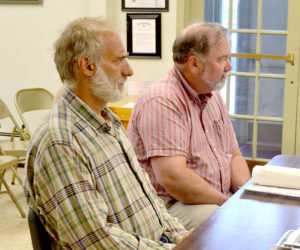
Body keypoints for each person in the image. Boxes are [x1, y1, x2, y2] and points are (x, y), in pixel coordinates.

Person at [24, 17, 190, 249]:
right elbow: (96, 241)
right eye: (119, 60)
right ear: (87, 66)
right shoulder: (60, 141)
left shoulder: (107, 122)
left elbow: (151, 204)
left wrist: (182, 238)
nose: (129, 70)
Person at [127, 22, 251, 229]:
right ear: (194, 64)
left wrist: (245, 195)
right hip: (171, 204)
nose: (229, 66)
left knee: (253, 215)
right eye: (222, 59)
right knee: (225, 224)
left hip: (212, 198)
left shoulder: (213, 97)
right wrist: (227, 204)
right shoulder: (162, 100)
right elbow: (174, 179)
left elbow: (233, 155)